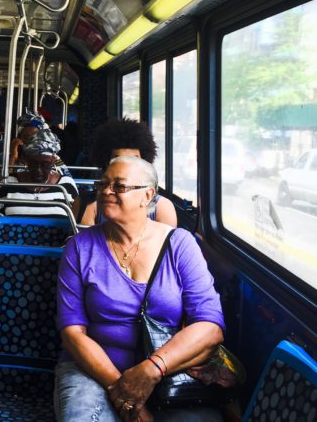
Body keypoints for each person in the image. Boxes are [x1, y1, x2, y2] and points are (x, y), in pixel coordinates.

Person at [55, 156, 224, 422]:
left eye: (119, 186)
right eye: (103, 184)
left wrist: (150, 370)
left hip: (166, 369)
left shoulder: (180, 245)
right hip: (92, 371)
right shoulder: (79, 247)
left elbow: (210, 327)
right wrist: (121, 390)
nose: (106, 191)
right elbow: (72, 332)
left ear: (147, 195)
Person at [81, 118, 178, 226]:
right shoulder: (89, 205)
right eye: (118, 160)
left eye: (134, 160)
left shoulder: (162, 207)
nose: (125, 166)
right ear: (107, 163)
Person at [0, 125, 79, 217]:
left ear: (53, 161)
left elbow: (77, 218)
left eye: (45, 164)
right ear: (27, 160)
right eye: (33, 164)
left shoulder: (66, 184)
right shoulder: (10, 182)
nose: (38, 169)